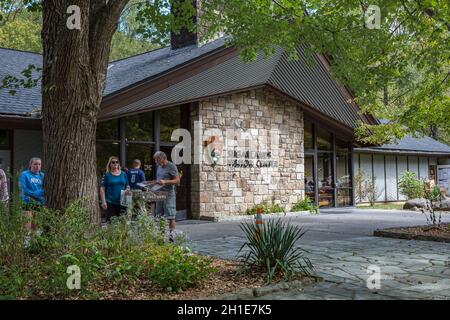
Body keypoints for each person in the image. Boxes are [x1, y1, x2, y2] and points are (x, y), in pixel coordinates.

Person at [153, 151, 180, 241]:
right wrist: (153, 183)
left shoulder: (171, 166)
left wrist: (165, 182)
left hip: (169, 194)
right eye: (156, 160)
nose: (156, 162)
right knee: (159, 215)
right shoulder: (159, 167)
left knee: (170, 216)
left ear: (163, 158)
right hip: (159, 194)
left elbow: (177, 180)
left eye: (157, 159)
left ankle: (171, 237)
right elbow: (159, 180)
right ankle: (161, 236)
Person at [100, 156, 131, 223]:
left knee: (123, 223)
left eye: (117, 162)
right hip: (111, 202)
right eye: (113, 162)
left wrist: (127, 190)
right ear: (110, 164)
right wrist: (103, 201)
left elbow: (127, 185)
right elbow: (102, 189)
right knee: (111, 223)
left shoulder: (123, 174)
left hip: (123, 201)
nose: (115, 164)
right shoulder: (106, 175)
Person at [19, 157, 45, 231]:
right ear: (30, 165)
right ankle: (25, 243)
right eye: (35, 164)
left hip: (39, 203)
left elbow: (44, 189)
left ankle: (33, 242)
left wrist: (37, 195)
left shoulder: (42, 176)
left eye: (39, 164)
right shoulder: (25, 174)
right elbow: (23, 189)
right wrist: (35, 194)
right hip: (27, 202)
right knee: (26, 227)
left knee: (36, 228)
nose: (37, 166)